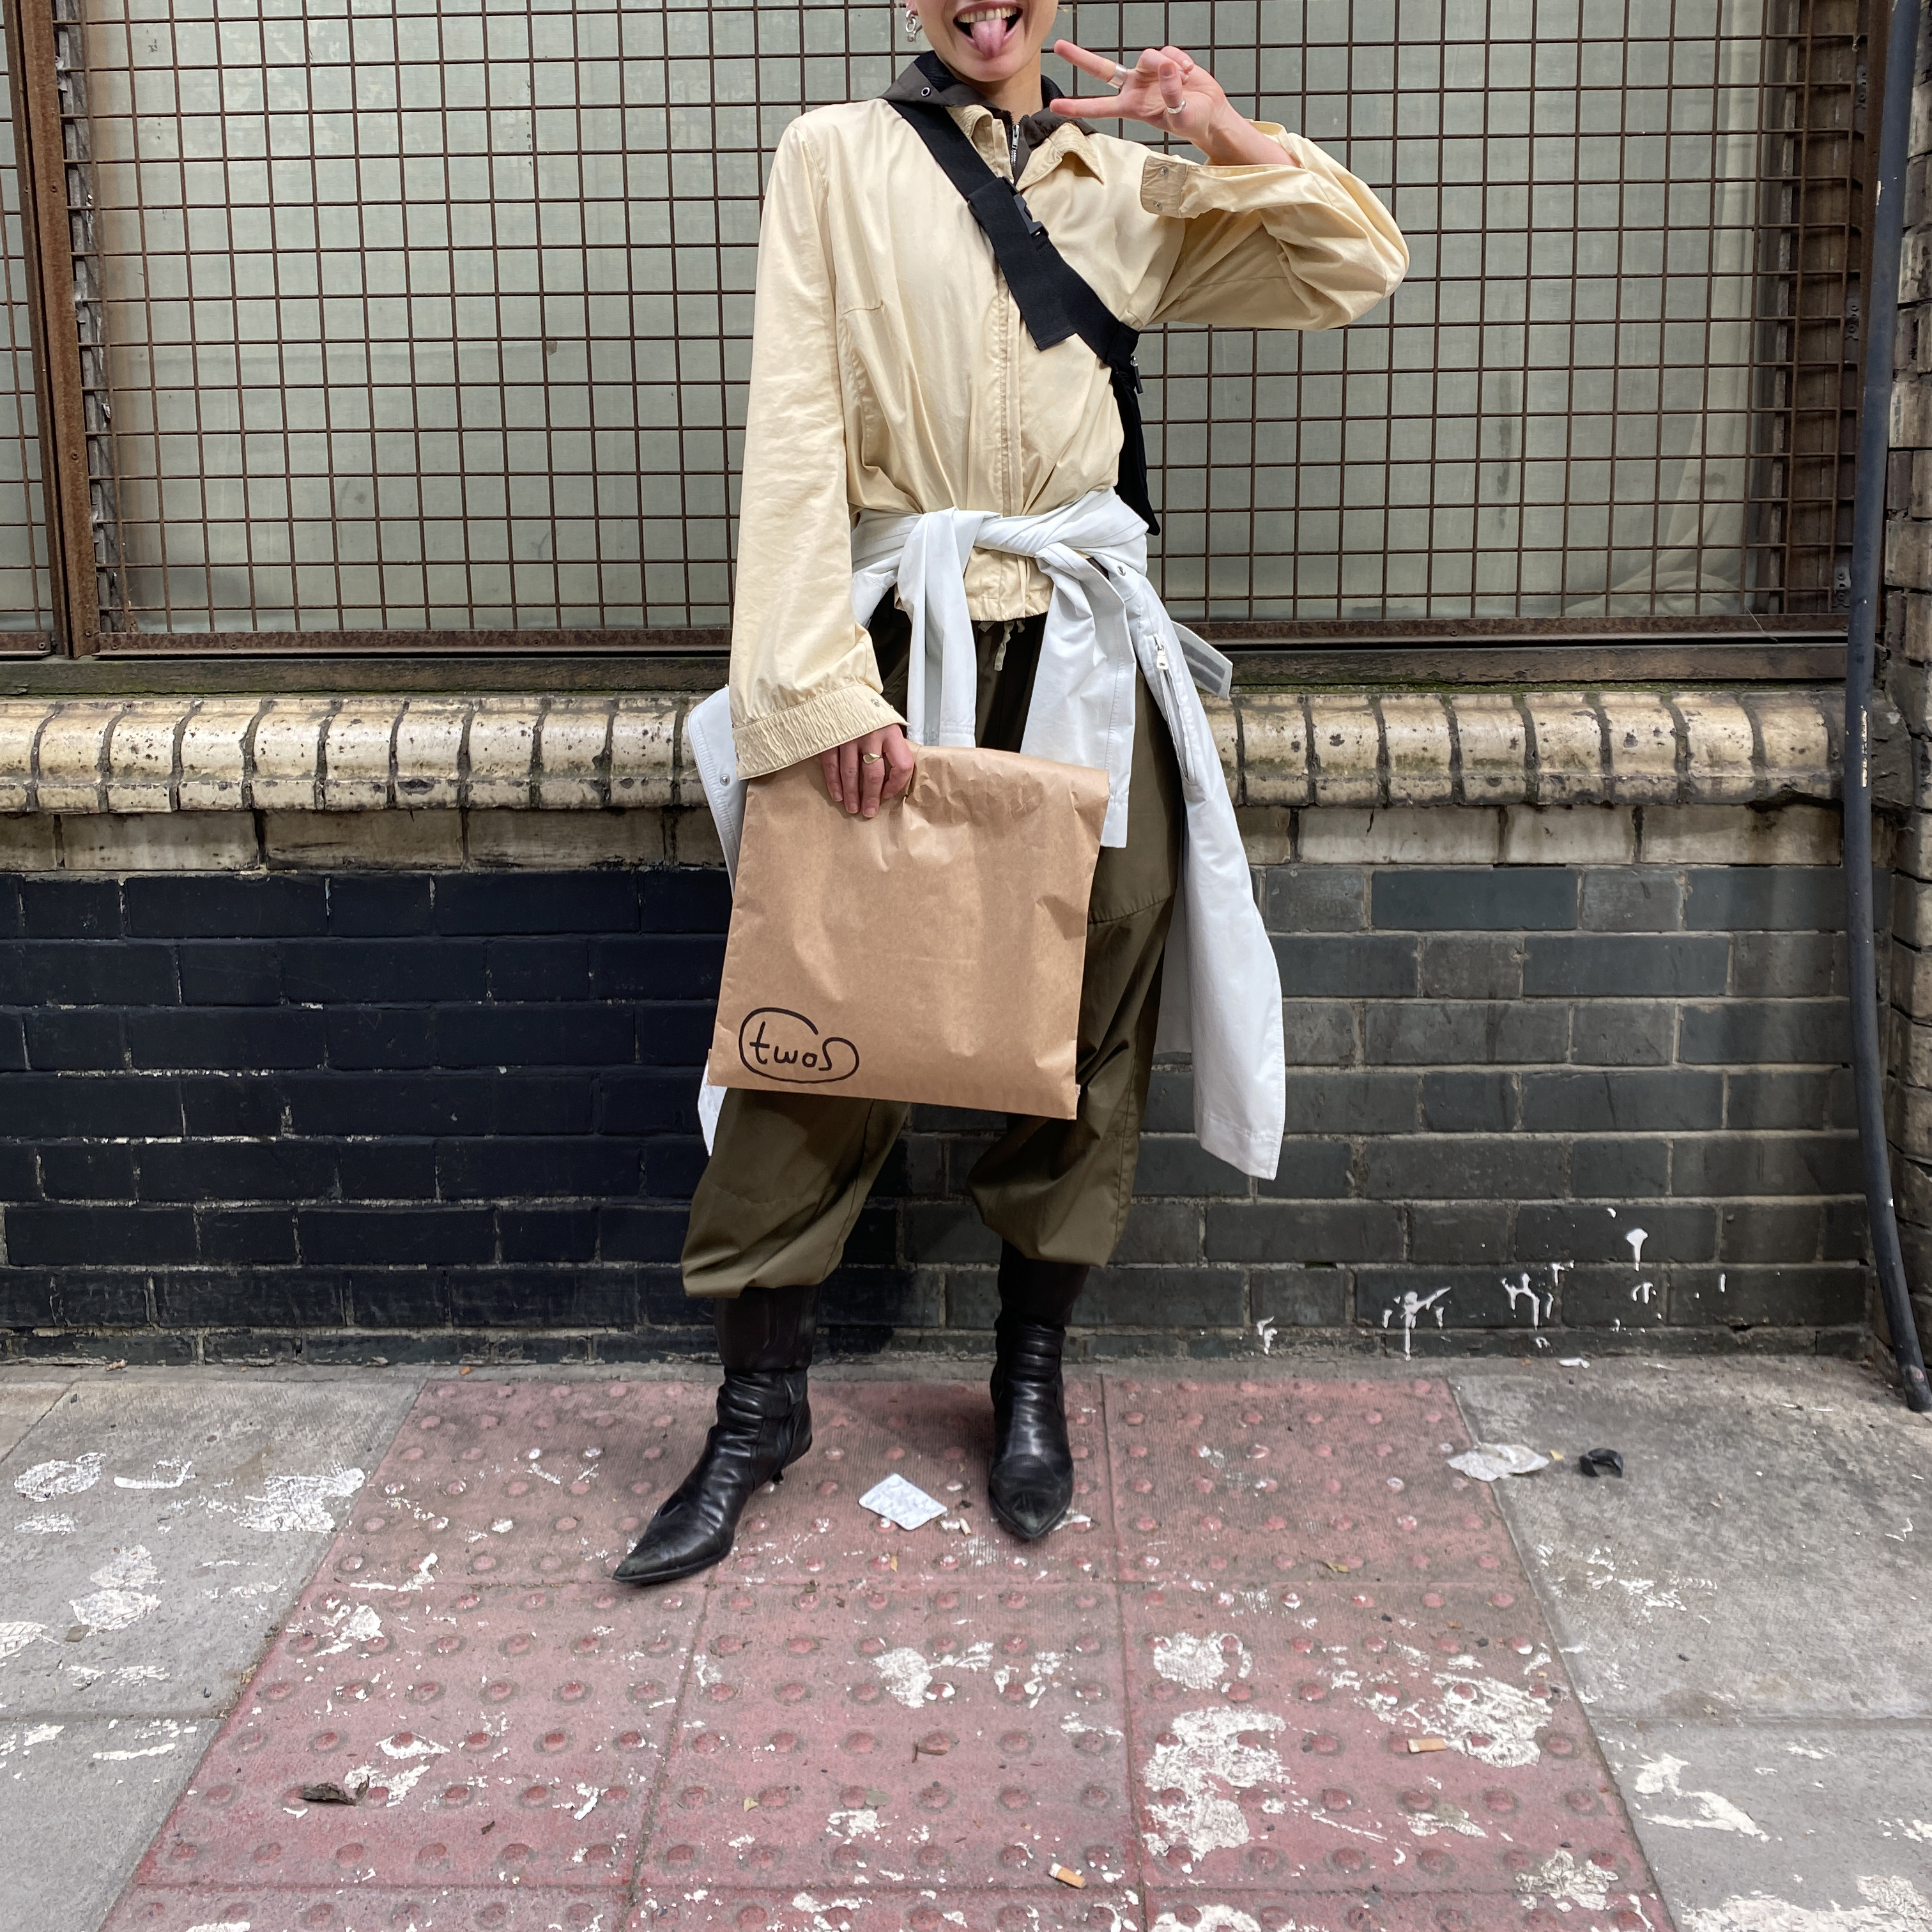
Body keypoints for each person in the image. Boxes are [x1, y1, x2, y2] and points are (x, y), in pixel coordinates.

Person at [616, 0, 1406, 1586]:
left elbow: (1349, 268)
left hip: (1087, 654)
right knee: (823, 1010)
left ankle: (1026, 1376)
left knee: (1092, 1010)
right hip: (900, 636)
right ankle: (761, 1400)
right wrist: (819, 685)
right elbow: (791, 426)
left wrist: (1219, 135)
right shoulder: (834, 157)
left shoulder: (1123, 186)